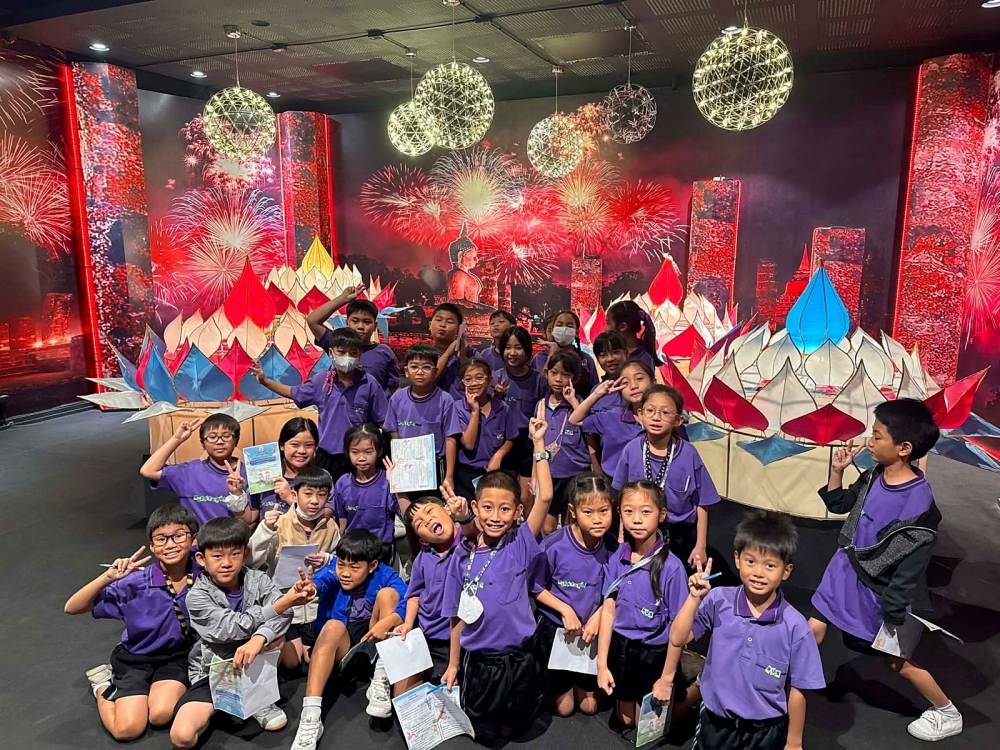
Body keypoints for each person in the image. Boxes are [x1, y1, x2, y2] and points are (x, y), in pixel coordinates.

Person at [808, 399, 961, 742]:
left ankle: (947, 711)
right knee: (813, 627)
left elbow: (908, 571)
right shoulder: (874, 475)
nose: (869, 442)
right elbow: (840, 504)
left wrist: (892, 615)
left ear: (904, 448)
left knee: (895, 662)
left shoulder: (918, 507)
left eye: (877, 436)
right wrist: (837, 471)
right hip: (842, 571)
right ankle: (780, 680)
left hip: (873, 593)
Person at [440, 409, 554, 742]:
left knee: (515, 725)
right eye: (487, 507)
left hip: (521, 657)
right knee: (483, 734)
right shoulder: (460, 557)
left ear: (518, 512)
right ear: (475, 508)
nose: (495, 516)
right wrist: (453, 664)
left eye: (505, 509)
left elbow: (545, 496)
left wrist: (538, 443)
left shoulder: (520, 542)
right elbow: (456, 617)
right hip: (481, 663)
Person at [669, 510, 825, 750]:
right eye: (750, 561)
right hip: (715, 723)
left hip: (765, 732)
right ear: (737, 559)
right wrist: (693, 599)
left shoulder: (795, 626)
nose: (758, 573)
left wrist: (794, 742)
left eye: (770, 565)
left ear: (786, 570)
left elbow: (799, 688)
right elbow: (677, 638)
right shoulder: (718, 600)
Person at [65, 504, 200, 742]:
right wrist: (107, 577)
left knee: (161, 715)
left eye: (178, 536)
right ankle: (101, 685)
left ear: (194, 539)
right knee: (127, 730)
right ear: (152, 546)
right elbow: (72, 607)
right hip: (136, 659)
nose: (170, 544)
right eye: (161, 539)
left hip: (177, 657)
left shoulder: (204, 574)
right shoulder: (134, 582)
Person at [171, 517, 308, 749]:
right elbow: (231, 627)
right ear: (201, 559)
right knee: (182, 736)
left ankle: (256, 696)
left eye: (234, 554)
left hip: (257, 664)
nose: (226, 563)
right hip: (216, 669)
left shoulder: (258, 579)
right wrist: (280, 605)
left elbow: (285, 614)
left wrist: (260, 637)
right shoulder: (196, 596)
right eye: (217, 556)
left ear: (245, 553)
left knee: (278, 640)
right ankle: (227, 701)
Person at [289, 530, 409, 749]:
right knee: (333, 625)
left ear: (372, 566)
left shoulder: (385, 573)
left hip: (373, 648)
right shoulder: (334, 571)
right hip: (341, 651)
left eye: (354, 567)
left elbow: (409, 598)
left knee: (388, 595)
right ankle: (311, 717)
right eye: (341, 564)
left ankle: (381, 677)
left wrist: (389, 620)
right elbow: (323, 579)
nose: (345, 573)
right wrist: (312, 587)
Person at [596, 481, 697, 730]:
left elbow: (679, 631)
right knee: (626, 721)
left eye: (646, 511)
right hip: (622, 649)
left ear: (661, 515)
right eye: (629, 511)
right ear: (619, 513)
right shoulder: (618, 556)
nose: (637, 519)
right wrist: (601, 664)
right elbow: (608, 611)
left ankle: (697, 688)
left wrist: (666, 679)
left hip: (654, 655)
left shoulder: (672, 567)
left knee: (651, 727)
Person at [532, 473, 619, 718]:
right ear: (572, 510)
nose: (597, 520)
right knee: (565, 709)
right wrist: (565, 610)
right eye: (588, 512)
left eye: (603, 511)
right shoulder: (554, 545)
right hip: (557, 630)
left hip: (591, 633)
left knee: (589, 707)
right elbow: (536, 588)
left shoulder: (613, 547)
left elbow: (616, 591)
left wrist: (598, 617)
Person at [252, 327, 388, 481]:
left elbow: (383, 421)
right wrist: (264, 381)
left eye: (353, 353)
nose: (347, 357)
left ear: (360, 355)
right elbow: (294, 393)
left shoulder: (369, 383)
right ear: (331, 353)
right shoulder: (320, 381)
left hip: (357, 455)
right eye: (341, 352)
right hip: (326, 455)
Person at [612, 385, 720, 569]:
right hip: (638, 530)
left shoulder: (689, 454)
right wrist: (622, 536)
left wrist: (700, 545)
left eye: (665, 413)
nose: (656, 418)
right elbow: (621, 497)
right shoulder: (631, 449)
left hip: (679, 535)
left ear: (678, 420)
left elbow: (702, 502)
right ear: (640, 414)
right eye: (650, 411)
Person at [248, 466, 341, 669]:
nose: (314, 501)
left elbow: (341, 566)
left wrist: (327, 559)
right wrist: (264, 529)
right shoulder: (278, 523)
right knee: (292, 662)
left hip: (316, 607)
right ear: (294, 495)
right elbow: (251, 561)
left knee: (313, 659)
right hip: (285, 607)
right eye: (308, 494)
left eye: (321, 495)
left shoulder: (331, 526)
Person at [396, 486, 479, 694]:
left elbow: (473, 530)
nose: (427, 520)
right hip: (424, 634)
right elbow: (414, 595)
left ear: (447, 510)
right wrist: (408, 622)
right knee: (405, 695)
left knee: (447, 690)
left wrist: (464, 516)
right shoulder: (422, 559)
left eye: (430, 511)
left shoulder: (469, 544)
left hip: (454, 639)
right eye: (419, 524)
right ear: (422, 540)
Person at [140, 415, 254, 527]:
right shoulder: (188, 473)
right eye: (212, 437)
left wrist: (237, 494)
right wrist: (177, 439)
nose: (219, 441)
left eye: (226, 436)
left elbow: (251, 520)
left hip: (232, 539)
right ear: (203, 443)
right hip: (196, 539)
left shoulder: (250, 473)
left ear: (236, 441)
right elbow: (148, 471)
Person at [384, 343, 460, 494]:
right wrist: (400, 459)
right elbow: (393, 431)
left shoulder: (445, 400)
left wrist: (449, 476)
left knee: (433, 504)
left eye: (426, 367)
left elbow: (450, 438)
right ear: (406, 371)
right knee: (408, 505)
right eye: (414, 367)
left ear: (435, 371)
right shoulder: (397, 398)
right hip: (406, 464)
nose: (420, 372)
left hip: (434, 465)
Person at [331, 424, 408, 566]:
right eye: (355, 452)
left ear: (379, 451)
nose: (361, 458)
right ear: (347, 452)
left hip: (382, 550)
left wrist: (397, 486)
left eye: (368, 452)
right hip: (353, 550)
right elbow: (341, 521)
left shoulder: (387, 481)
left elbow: (407, 515)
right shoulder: (342, 483)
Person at [537, 349, 592, 536]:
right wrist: (535, 476)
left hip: (575, 473)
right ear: (547, 373)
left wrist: (573, 401)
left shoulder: (581, 404)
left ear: (575, 378)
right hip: (550, 473)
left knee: (573, 526)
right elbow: (536, 443)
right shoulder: (541, 405)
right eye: (554, 373)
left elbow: (589, 428)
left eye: (566, 374)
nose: (558, 379)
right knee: (547, 528)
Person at [307, 286, 400, 395]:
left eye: (367, 322)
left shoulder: (384, 352)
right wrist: (343, 299)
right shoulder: (337, 344)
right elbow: (313, 321)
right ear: (347, 323)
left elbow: (394, 388)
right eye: (355, 321)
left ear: (375, 326)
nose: (360, 326)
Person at [448, 358, 518, 501]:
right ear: (462, 384)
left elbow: (509, 439)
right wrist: (474, 411)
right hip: (465, 473)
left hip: (492, 472)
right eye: (468, 379)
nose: (474, 383)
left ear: (489, 380)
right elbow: (468, 444)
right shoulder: (457, 408)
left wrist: (499, 455)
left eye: (479, 378)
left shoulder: (502, 408)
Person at [572, 360, 654, 476]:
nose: (634, 386)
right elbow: (575, 420)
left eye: (639, 379)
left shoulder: (662, 416)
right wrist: (596, 394)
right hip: (616, 483)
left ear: (653, 382)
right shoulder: (611, 416)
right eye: (625, 383)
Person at [492, 326, 545, 504]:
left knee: (525, 497)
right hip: (503, 442)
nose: (512, 353)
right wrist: (496, 396)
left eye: (518, 347)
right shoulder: (495, 378)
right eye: (508, 347)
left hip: (528, 442)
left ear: (527, 350)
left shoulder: (538, 379)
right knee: (505, 496)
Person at [256, 417, 319, 516]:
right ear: (282, 445)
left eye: (308, 445)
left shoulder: (321, 478)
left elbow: (323, 518)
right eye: (295, 445)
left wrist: (290, 498)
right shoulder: (264, 474)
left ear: (315, 448)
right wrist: (237, 494)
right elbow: (250, 518)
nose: (302, 451)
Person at [533, 309, 598, 398]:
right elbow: (542, 385)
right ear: (553, 330)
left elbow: (594, 390)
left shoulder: (586, 359)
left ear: (577, 332)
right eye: (559, 325)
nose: (564, 329)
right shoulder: (540, 358)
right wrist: (552, 352)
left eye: (569, 326)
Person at [430, 303, 476, 399]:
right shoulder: (425, 354)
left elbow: (481, 379)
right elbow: (428, 381)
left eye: (449, 322)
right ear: (430, 325)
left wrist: (463, 358)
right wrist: (447, 354)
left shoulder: (470, 352)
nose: (443, 325)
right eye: (439, 320)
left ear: (459, 329)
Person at [606, 299, 661, 370]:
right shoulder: (618, 350)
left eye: (608, 323)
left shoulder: (643, 361)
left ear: (623, 327)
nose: (605, 329)